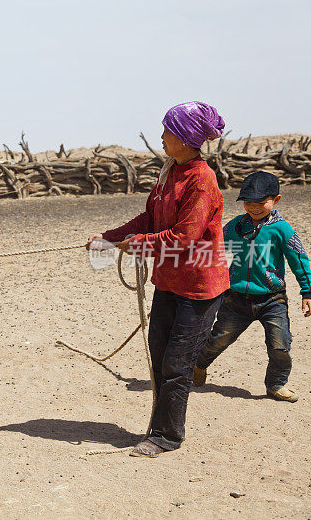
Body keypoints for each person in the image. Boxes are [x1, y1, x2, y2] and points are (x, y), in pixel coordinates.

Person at [86, 101, 229, 457]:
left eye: (167, 131)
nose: (162, 136)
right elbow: (149, 218)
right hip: (168, 281)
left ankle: (167, 436)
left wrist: (134, 244)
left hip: (198, 287)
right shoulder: (170, 173)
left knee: (177, 364)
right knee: (160, 355)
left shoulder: (201, 180)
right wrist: (110, 237)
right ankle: (161, 426)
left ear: (184, 137)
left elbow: (184, 237)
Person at [193, 171, 311, 402]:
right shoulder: (235, 225)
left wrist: (307, 291)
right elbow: (212, 246)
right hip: (235, 298)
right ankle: (198, 365)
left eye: (260, 203)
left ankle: (276, 384)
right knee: (218, 339)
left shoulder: (282, 229)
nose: (254, 208)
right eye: (248, 202)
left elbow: (299, 259)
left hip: (272, 299)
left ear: (275, 200)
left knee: (280, 344)